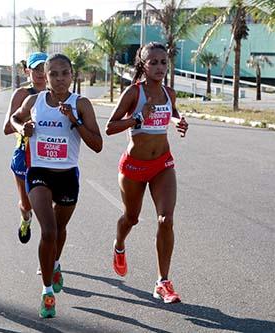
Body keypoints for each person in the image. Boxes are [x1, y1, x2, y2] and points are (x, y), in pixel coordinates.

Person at [11, 53, 103, 318]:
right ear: (46, 77)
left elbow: (97, 145)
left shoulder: (81, 104)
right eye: (54, 74)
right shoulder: (34, 100)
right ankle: (47, 291)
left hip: (67, 175)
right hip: (38, 172)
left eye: (65, 73)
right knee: (48, 230)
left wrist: (75, 121)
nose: (59, 78)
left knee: (60, 229)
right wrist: (22, 128)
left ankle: (56, 262)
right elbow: (15, 119)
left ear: (72, 75)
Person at [105, 42, 188, 304]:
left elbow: (171, 113)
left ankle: (163, 281)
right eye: (153, 62)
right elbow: (110, 127)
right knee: (131, 218)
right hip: (133, 166)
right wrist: (138, 118)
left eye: (163, 62)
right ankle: (119, 246)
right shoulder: (133, 93)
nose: (159, 67)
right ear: (143, 65)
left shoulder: (169, 93)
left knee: (166, 219)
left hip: (162, 163)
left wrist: (179, 121)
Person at [3, 52, 48, 244]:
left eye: (44, 68)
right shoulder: (22, 94)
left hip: (50, 156)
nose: (40, 73)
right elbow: (6, 127)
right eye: (36, 68)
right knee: (27, 204)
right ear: (26, 71)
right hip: (25, 154)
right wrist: (24, 125)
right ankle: (25, 218)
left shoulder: (58, 93)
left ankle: (49, 259)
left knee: (49, 212)